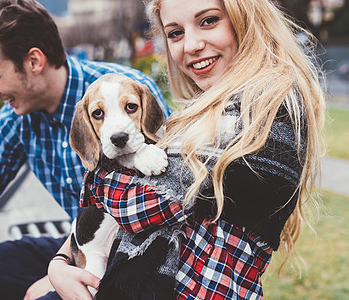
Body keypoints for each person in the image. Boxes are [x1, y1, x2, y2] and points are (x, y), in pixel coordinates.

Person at [48, 0, 326, 299]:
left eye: (208, 21)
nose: (191, 45)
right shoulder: (203, 111)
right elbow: (103, 214)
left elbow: (141, 204)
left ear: (245, 17)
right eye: (175, 33)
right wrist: (60, 263)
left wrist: (100, 174)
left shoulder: (266, 104)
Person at [0, 0, 171, 299]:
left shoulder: (125, 93)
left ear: (34, 61)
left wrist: (57, 272)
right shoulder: (16, 120)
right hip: (76, 240)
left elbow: (168, 194)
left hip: (133, 255)